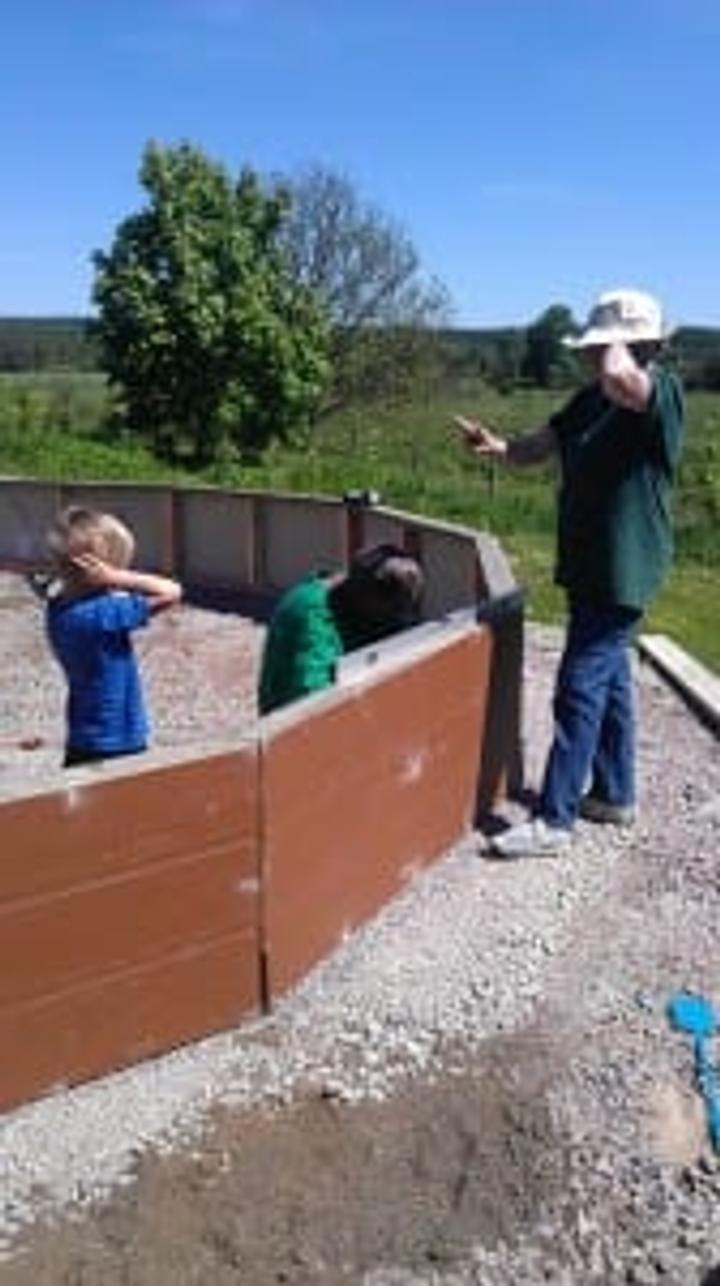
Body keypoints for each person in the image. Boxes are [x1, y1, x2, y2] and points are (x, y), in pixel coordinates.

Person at [454, 287, 684, 858]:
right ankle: (613, 794)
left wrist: (616, 344)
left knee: (579, 685)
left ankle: (554, 821)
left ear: (632, 345)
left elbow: (625, 380)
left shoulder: (660, 393)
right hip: (591, 565)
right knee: (609, 686)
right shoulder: (590, 400)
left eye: (598, 344)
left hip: (622, 569)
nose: (589, 354)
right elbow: (544, 443)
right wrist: (499, 447)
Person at [45, 506, 182, 767]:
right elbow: (172, 591)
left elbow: (69, 591)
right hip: (118, 739)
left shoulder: (58, 609)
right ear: (98, 572)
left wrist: (105, 582)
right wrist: (118, 577)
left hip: (82, 736)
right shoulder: (103, 615)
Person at [259, 543, 424, 714]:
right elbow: (311, 698)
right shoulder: (314, 615)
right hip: (289, 720)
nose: (398, 619)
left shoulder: (359, 596)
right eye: (393, 612)